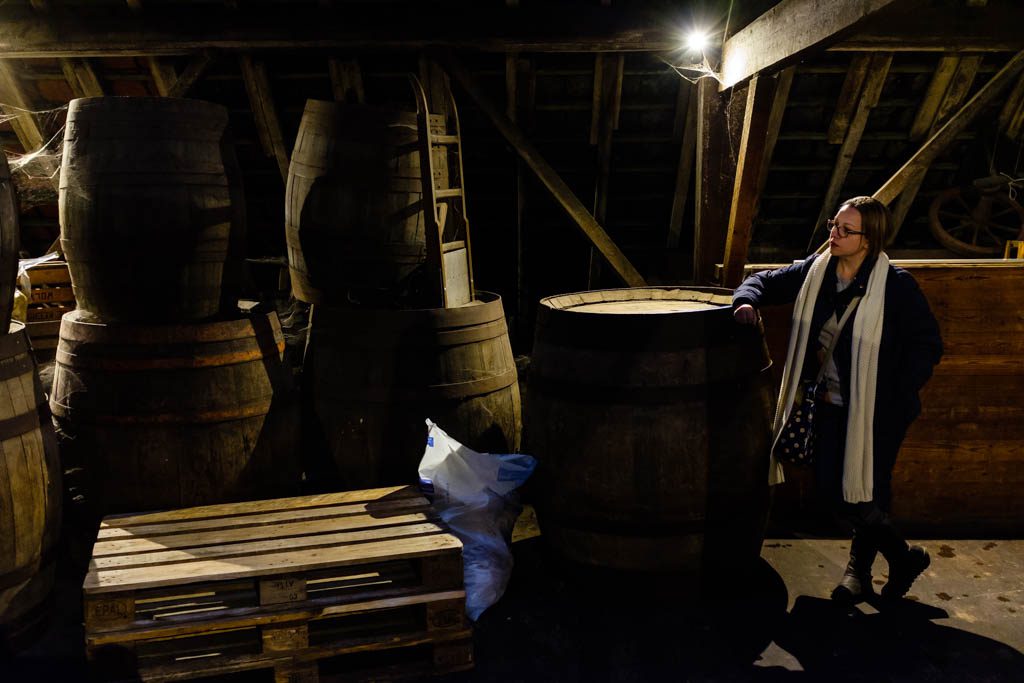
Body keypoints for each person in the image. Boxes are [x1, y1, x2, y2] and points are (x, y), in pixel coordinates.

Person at [732, 196, 943, 604]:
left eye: (846, 230)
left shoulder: (896, 286)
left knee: (868, 489)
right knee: (834, 490)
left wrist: (892, 394)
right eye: (834, 225)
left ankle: (858, 573)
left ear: (869, 240)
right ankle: (903, 557)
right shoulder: (817, 272)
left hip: (878, 413)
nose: (835, 234)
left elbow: (927, 345)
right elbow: (764, 280)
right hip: (829, 405)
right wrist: (744, 301)